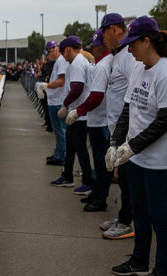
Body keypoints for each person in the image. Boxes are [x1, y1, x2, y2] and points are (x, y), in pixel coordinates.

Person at [106, 16, 167, 276]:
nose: (129, 50)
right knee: (139, 211)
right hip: (136, 158)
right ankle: (139, 260)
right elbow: (127, 110)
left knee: (159, 216)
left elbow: (163, 121)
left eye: (132, 44)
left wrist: (131, 147)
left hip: (160, 160)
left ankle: (161, 275)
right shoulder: (139, 69)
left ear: (146, 41)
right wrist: (115, 143)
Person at [97, 12, 141, 240]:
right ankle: (124, 216)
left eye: (104, 32)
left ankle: (128, 221)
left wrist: (122, 133)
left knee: (127, 180)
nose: (102, 38)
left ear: (114, 29)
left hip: (127, 130)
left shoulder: (128, 56)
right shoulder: (118, 56)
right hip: (118, 128)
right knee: (123, 179)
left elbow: (132, 96)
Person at [68, 29, 113, 212]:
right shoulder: (101, 63)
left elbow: (96, 96)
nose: (92, 50)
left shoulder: (103, 65)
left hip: (101, 120)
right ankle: (96, 193)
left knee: (102, 164)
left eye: (94, 47)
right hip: (97, 119)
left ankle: (100, 198)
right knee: (98, 160)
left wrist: (78, 111)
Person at [50, 35, 93, 195]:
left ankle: (88, 181)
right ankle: (68, 175)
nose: (62, 56)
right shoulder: (79, 62)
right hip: (77, 112)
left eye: (62, 52)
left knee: (80, 148)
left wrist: (65, 105)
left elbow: (77, 88)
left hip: (79, 114)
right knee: (70, 146)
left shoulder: (77, 63)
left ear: (67, 50)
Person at [36, 41, 68, 166]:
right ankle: (59, 154)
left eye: (49, 51)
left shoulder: (61, 62)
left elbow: (61, 81)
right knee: (58, 130)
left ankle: (62, 156)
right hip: (54, 99)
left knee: (60, 130)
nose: (48, 55)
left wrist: (47, 85)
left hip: (58, 101)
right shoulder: (57, 62)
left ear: (56, 49)